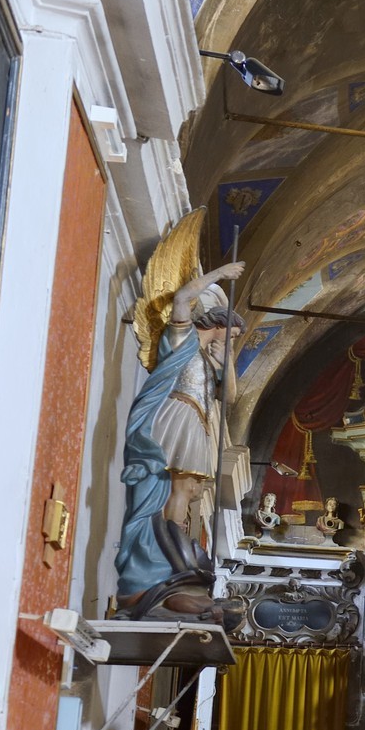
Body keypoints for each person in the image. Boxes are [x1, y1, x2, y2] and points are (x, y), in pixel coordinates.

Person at [115, 229, 247, 625]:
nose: (233, 341)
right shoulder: (184, 336)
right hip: (176, 415)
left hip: (198, 420)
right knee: (176, 483)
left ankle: (172, 542)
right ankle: (169, 539)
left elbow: (233, 396)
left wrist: (226, 363)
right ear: (218, 324)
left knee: (188, 488)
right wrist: (221, 272)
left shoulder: (210, 360)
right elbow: (182, 298)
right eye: (232, 334)